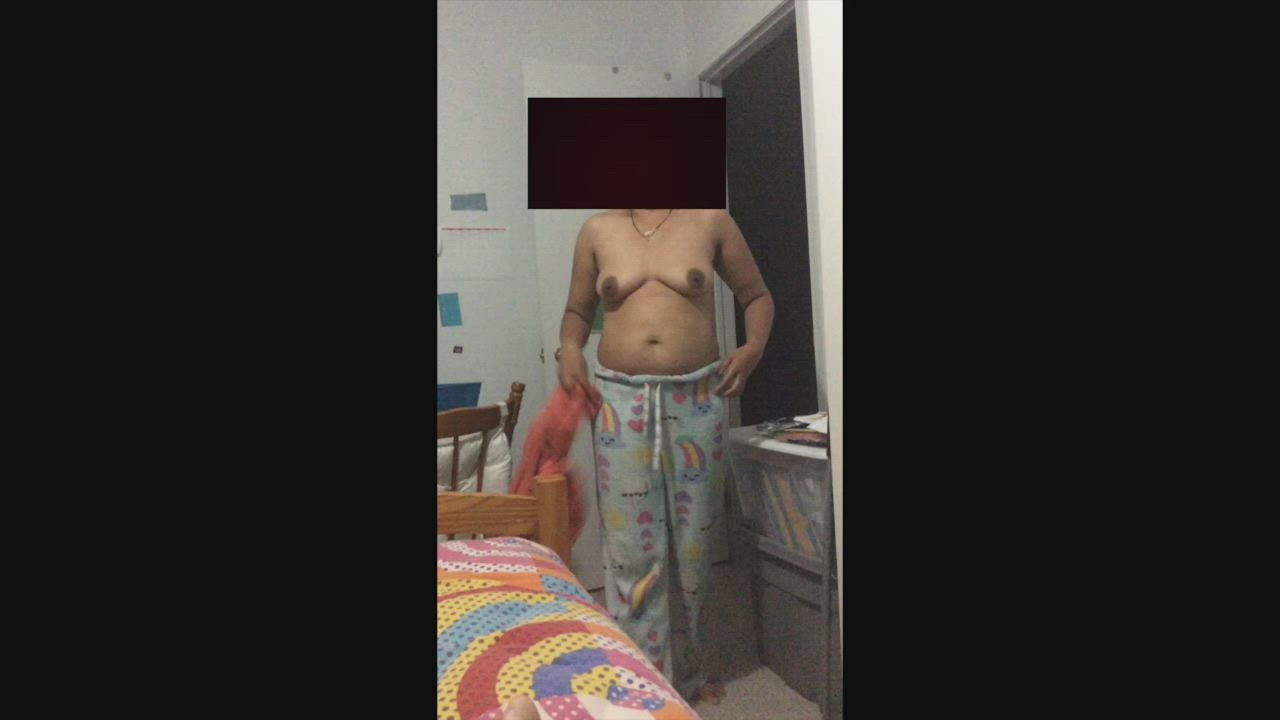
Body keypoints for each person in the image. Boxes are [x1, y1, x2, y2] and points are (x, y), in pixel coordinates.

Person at [557, 208, 774, 705]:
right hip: (619, 402)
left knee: (696, 541)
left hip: (697, 397)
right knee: (631, 549)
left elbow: (757, 295)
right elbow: (576, 313)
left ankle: (694, 668)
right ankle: (642, 676)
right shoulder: (597, 230)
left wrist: (753, 349)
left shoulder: (711, 221)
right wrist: (569, 348)